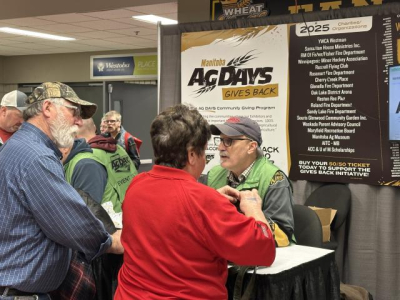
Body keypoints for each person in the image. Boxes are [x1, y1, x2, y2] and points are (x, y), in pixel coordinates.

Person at [115, 104, 276, 300]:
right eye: (205, 152)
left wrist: (209, 199)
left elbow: (170, 216)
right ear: (192, 155)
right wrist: (253, 208)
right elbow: (264, 251)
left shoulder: (136, 185)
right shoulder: (204, 201)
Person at [0, 82, 123, 300]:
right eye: (73, 112)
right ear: (47, 108)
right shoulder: (37, 157)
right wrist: (112, 241)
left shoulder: (19, 146)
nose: (78, 121)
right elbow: (74, 224)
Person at [60, 118, 136, 300]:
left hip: (108, 248)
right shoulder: (115, 150)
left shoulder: (85, 163)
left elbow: (86, 216)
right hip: (126, 234)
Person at [205, 116, 294, 244]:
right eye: (221, 140)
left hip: (268, 259)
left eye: (229, 141)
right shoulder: (213, 174)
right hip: (223, 252)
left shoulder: (274, 179)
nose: (220, 147)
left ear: (251, 147)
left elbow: (283, 235)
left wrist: (252, 212)